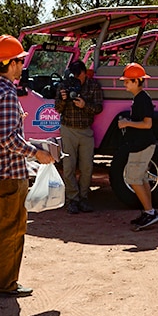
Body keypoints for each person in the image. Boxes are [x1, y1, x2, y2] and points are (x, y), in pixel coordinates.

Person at [0, 34, 54, 298]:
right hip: (9, 174)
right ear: (9, 63)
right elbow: (8, 139)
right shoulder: (6, 93)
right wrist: (36, 153)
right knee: (11, 231)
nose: (21, 65)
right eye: (19, 60)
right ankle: (4, 284)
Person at [55, 60, 103, 214]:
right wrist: (63, 99)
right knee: (69, 166)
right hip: (68, 129)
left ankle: (84, 197)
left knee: (87, 166)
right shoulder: (64, 85)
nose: (77, 79)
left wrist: (85, 105)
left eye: (79, 76)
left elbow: (98, 107)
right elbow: (57, 108)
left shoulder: (93, 86)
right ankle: (72, 199)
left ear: (84, 73)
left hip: (85, 130)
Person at [117, 63, 158, 230]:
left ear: (137, 81)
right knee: (141, 178)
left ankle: (150, 212)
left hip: (142, 145)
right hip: (142, 144)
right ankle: (148, 212)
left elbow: (147, 124)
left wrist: (127, 123)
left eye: (128, 81)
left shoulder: (142, 99)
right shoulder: (140, 98)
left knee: (133, 179)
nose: (125, 84)